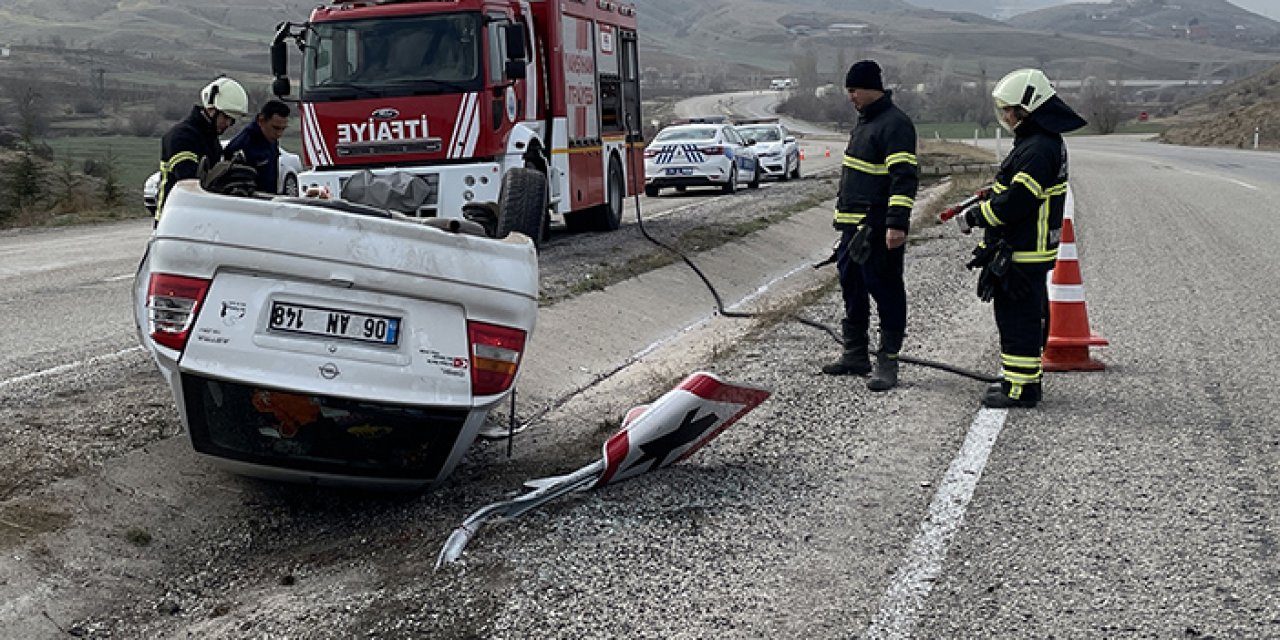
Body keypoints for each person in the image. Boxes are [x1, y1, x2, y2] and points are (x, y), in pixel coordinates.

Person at [953, 68, 1087, 408]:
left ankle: (1022, 389)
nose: (1007, 116)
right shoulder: (1039, 142)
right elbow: (1018, 189)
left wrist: (975, 216)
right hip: (1026, 247)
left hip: (1024, 249)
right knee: (1021, 317)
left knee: (1018, 320)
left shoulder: (1038, 148)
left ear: (1029, 109)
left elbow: (1016, 203)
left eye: (1011, 109)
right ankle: (1019, 379)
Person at [822, 60, 919, 393]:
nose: (850, 97)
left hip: (877, 229)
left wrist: (896, 224)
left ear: (871, 88)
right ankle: (855, 354)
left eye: (854, 90)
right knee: (852, 287)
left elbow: (903, 179)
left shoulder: (895, 125)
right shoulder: (864, 124)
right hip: (852, 231)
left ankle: (887, 361)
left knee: (886, 289)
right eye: (848, 90)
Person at [156, 76, 249, 220]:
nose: (228, 124)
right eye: (225, 117)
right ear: (211, 109)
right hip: (173, 220)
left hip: (192, 217)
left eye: (232, 120)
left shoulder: (209, 138)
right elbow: (189, 183)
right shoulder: (182, 137)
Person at [223, 99, 291, 194]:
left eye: (283, 129)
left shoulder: (270, 138)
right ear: (261, 121)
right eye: (276, 128)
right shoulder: (242, 145)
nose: (279, 134)